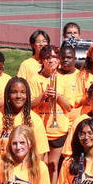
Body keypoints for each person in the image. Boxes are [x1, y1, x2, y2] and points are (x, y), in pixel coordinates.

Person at [0, 76, 48, 168]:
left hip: (27, 173)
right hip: (2, 172)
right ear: (7, 95)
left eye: (23, 92)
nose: (18, 96)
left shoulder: (36, 120)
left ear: (28, 95)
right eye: (14, 92)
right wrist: (2, 174)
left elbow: (39, 153)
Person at [27, 45, 74, 175]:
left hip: (58, 129)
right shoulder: (34, 80)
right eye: (47, 58)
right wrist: (43, 96)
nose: (51, 60)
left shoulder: (64, 80)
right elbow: (29, 105)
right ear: (42, 61)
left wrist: (58, 96)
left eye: (54, 57)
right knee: (41, 163)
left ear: (58, 60)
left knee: (53, 165)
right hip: (40, 128)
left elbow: (69, 107)